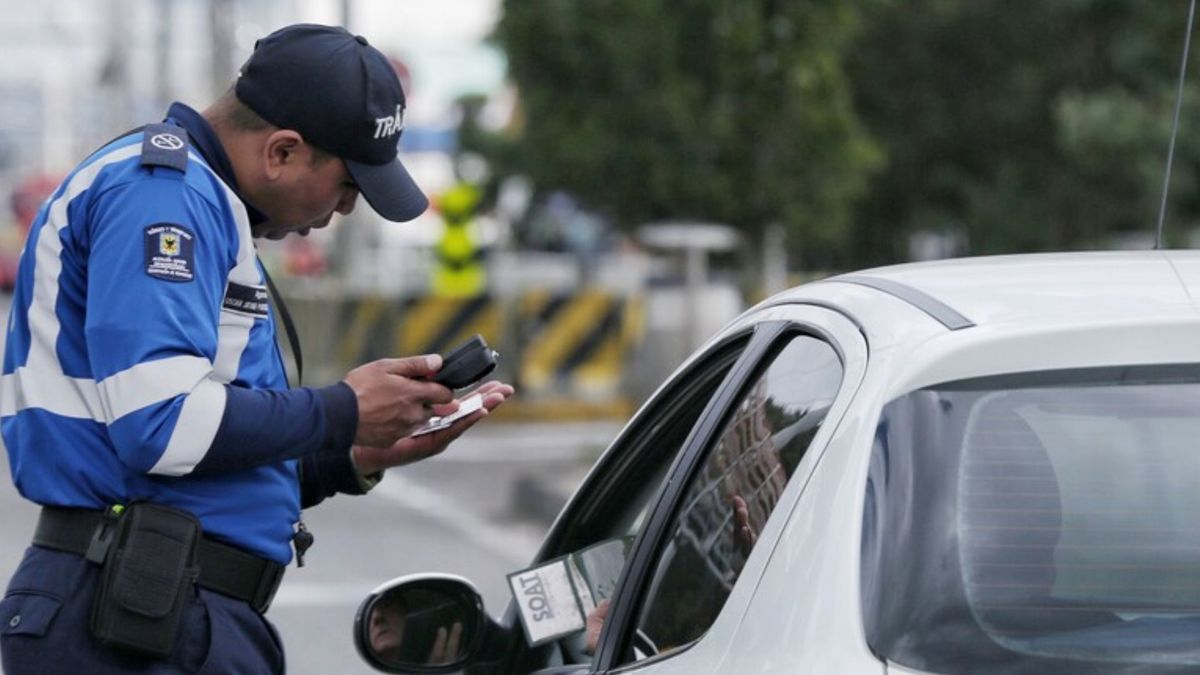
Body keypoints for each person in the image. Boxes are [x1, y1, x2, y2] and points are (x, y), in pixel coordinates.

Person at [0, 23, 513, 675]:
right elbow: (161, 428)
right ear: (282, 152)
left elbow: (190, 456)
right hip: (131, 623)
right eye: (348, 184)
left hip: (149, 612)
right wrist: (341, 410)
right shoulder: (164, 196)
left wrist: (347, 456)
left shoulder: (202, 200)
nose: (347, 209)